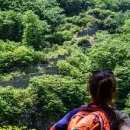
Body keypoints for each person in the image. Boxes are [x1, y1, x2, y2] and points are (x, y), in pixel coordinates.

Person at [50, 71, 130, 130]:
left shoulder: (76, 112)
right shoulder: (120, 117)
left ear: (89, 91)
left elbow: (58, 126)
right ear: (113, 92)